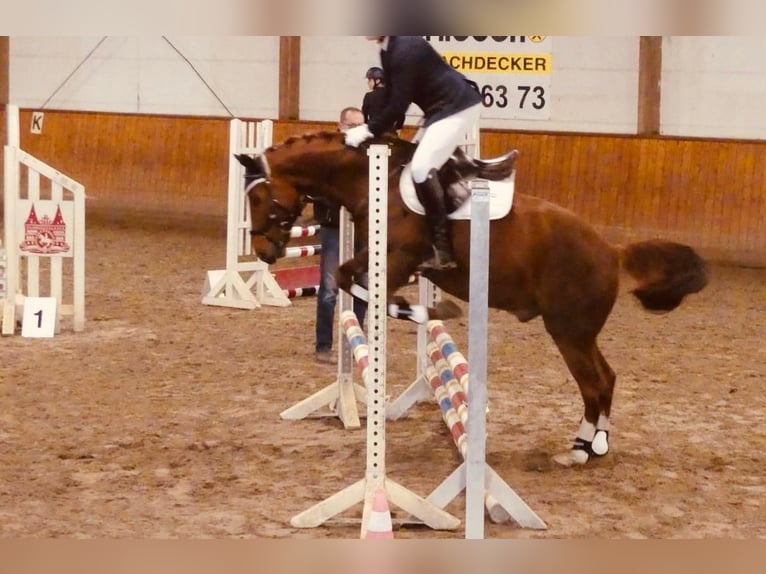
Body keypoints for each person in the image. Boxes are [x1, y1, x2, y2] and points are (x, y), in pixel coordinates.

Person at [344, 36, 483, 271]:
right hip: (439, 110)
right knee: (410, 165)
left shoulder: (405, 48)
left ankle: (443, 248)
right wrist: (372, 128)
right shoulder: (388, 49)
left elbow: (399, 105)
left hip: (457, 106)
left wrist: (369, 129)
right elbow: (390, 97)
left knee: (420, 169)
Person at [313, 106, 368, 365]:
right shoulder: (326, 154)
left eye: (361, 125)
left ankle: (356, 341)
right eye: (352, 125)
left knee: (364, 286)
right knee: (329, 288)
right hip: (334, 226)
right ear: (341, 126)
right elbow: (316, 190)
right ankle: (323, 345)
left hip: (363, 228)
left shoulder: (370, 153)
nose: (357, 129)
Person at [361, 66, 405, 134]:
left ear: (377, 80)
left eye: (370, 80)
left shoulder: (369, 96)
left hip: (373, 132)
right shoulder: (393, 95)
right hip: (390, 132)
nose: (368, 83)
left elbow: (364, 116)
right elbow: (401, 115)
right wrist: (397, 128)